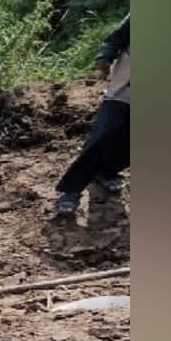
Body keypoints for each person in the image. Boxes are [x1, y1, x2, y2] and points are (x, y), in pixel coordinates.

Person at [54, 14, 130, 216]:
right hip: (125, 87)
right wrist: (104, 60)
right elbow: (114, 39)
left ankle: (106, 171)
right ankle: (72, 189)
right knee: (104, 133)